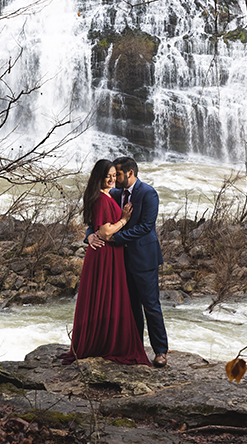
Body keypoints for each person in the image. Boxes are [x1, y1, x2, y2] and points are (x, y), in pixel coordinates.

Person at [61, 159, 150, 366]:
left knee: (106, 296)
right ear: (98, 177)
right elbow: (104, 230)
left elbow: (96, 226)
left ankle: (102, 340)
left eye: (113, 175)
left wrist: (90, 234)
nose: (111, 179)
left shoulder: (108, 195)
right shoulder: (102, 199)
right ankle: (103, 343)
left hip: (109, 252)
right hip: (104, 253)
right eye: (107, 176)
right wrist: (124, 221)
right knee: (105, 295)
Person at [90, 156, 169, 368]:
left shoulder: (148, 193)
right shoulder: (114, 194)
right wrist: (90, 235)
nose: (114, 178)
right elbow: (97, 217)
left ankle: (161, 351)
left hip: (144, 258)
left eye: (118, 174)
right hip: (120, 261)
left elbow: (146, 227)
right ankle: (136, 349)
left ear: (130, 173)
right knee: (130, 307)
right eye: (112, 175)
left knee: (151, 306)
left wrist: (114, 238)